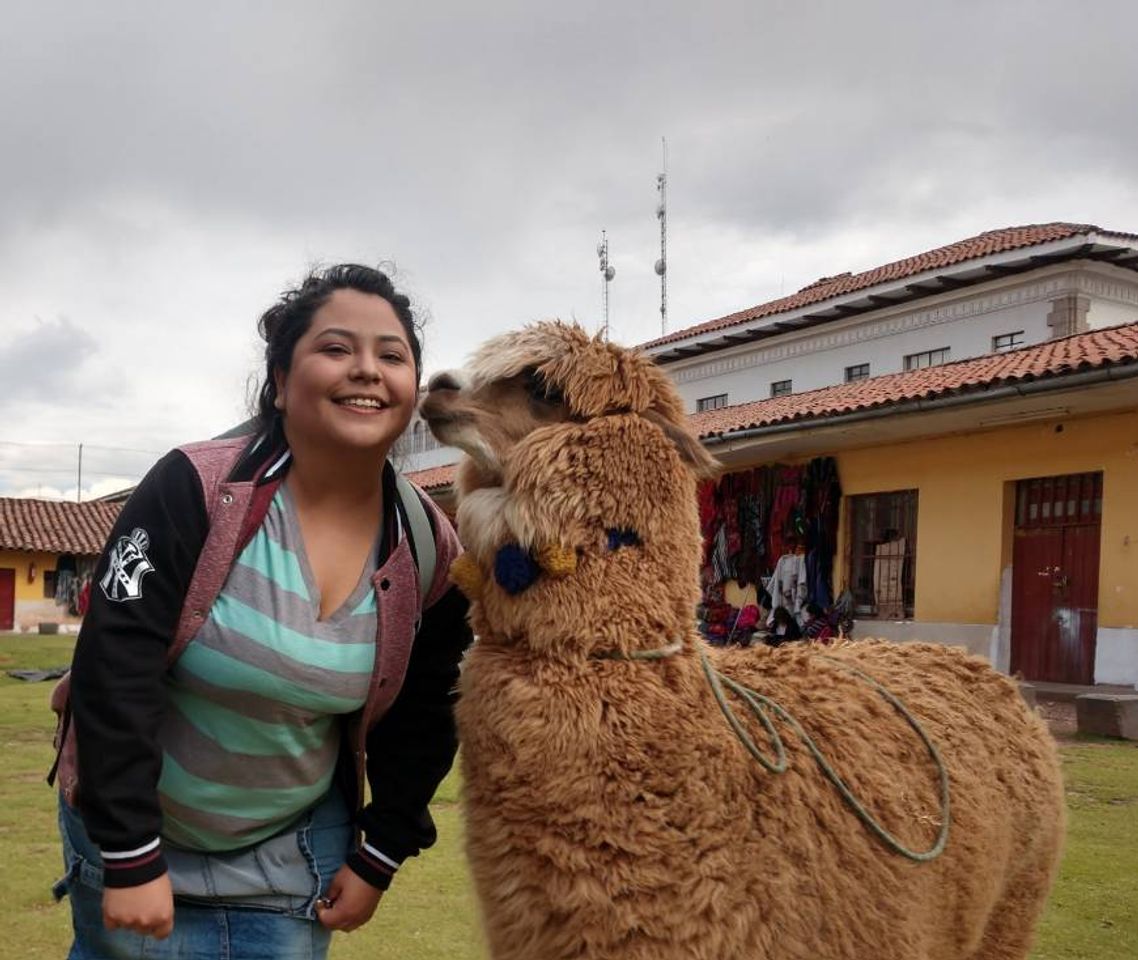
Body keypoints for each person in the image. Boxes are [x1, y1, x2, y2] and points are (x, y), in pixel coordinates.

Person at [56, 264, 472, 959]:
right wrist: (130, 850)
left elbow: (426, 714)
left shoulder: (428, 547)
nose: (368, 370)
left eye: (392, 355)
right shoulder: (196, 488)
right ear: (280, 382)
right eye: (337, 349)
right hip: (130, 838)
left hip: (289, 862)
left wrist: (382, 853)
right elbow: (112, 664)